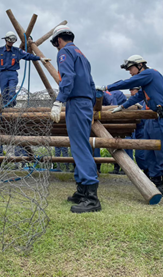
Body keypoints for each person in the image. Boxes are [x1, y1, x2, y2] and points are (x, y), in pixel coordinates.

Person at [50, 25, 101, 213]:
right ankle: (82, 190)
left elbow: (68, 77)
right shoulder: (82, 56)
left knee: (79, 146)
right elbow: (92, 83)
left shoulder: (64, 52)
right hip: (85, 102)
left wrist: (59, 101)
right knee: (81, 145)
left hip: (76, 102)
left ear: (58, 40)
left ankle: (91, 198)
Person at [96, 55, 163, 193]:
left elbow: (126, 83)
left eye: (130, 68)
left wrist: (107, 87)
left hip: (160, 117)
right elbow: (139, 96)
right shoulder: (146, 82)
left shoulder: (149, 73)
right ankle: (156, 180)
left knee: (160, 150)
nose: (130, 72)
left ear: (139, 66)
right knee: (149, 150)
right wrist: (123, 106)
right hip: (154, 119)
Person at [0, 31, 50, 106]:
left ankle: (11, 106)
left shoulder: (17, 51)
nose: (11, 44)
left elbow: (28, 56)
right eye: (10, 42)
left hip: (12, 74)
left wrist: (40, 58)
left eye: (12, 42)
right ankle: (5, 109)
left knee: (11, 92)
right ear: (6, 40)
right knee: (4, 94)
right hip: (3, 74)